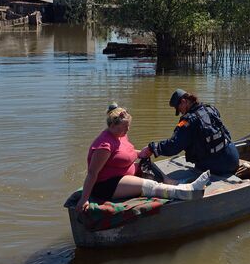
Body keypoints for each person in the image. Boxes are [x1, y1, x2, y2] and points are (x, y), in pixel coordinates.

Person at [76, 105, 210, 213]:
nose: (127, 130)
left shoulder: (120, 135)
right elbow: (92, 173)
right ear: (112, 126)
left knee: (148, 163)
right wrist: (84, 199)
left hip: (123, 174)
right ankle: (186, 191)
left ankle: (170, 182)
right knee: (149, 186)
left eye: (128, 126)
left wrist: (142, 153)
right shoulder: (104, 145)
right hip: (107, 185)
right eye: (124, 127)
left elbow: (125, 152)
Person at [138, 90, 240, 176]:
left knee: (195, 168)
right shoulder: (210, 108)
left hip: (219, 165)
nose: (181, 113)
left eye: (179, 109)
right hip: (233, 156)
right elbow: (226, 133)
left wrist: (152, 148)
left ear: (184, 101)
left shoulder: (188, 121)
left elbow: (174, 146)